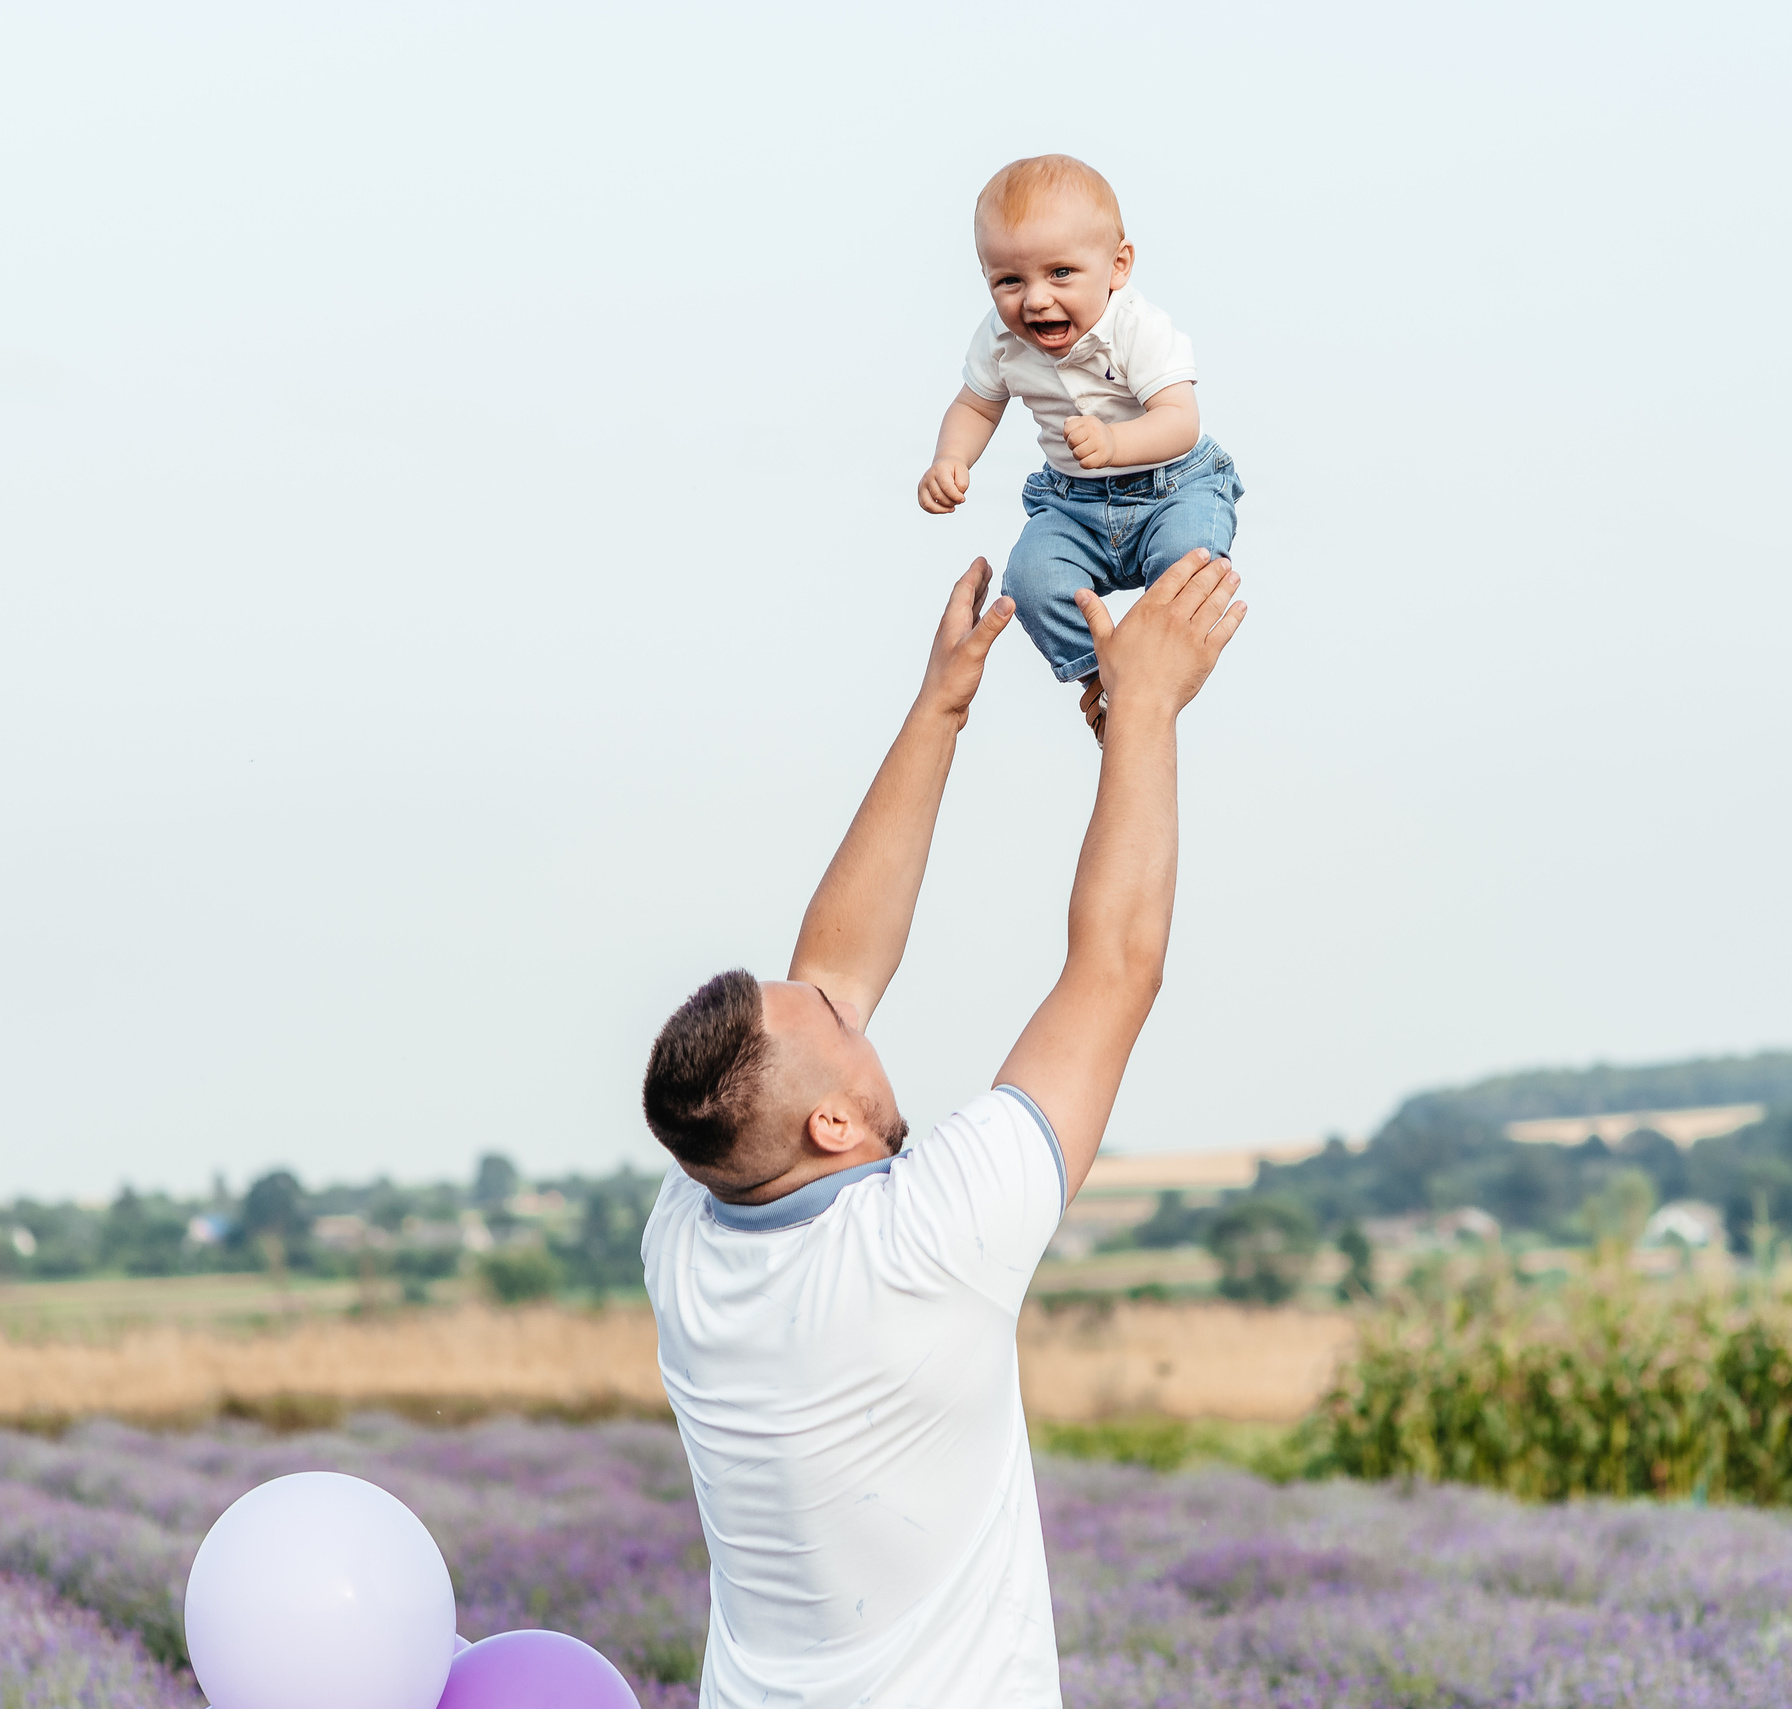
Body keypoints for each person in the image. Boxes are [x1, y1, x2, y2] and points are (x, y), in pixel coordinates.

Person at [639, 548, 1245, 1706]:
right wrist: (1147, 712)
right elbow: (1115, 968)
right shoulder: (920, 1244)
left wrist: (942, 703)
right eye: (826, 1015)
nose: (834, 989)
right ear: (828, 1120)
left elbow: (835, 961)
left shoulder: (698, 1217)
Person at [916, 154, 1244, 745]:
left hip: (1173, 484)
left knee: (1188, 560)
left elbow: (1181, 421)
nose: (1036, 300)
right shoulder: (999, 340)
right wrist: (950, 459)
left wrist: (1117, 441)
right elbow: (975, 406)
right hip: (1073, 505)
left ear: (1118, 265)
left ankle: (1150, 676)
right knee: (1031, 581)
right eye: (1009, 281)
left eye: (1061, 273)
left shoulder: (1138, 327)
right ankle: (1100, 684)